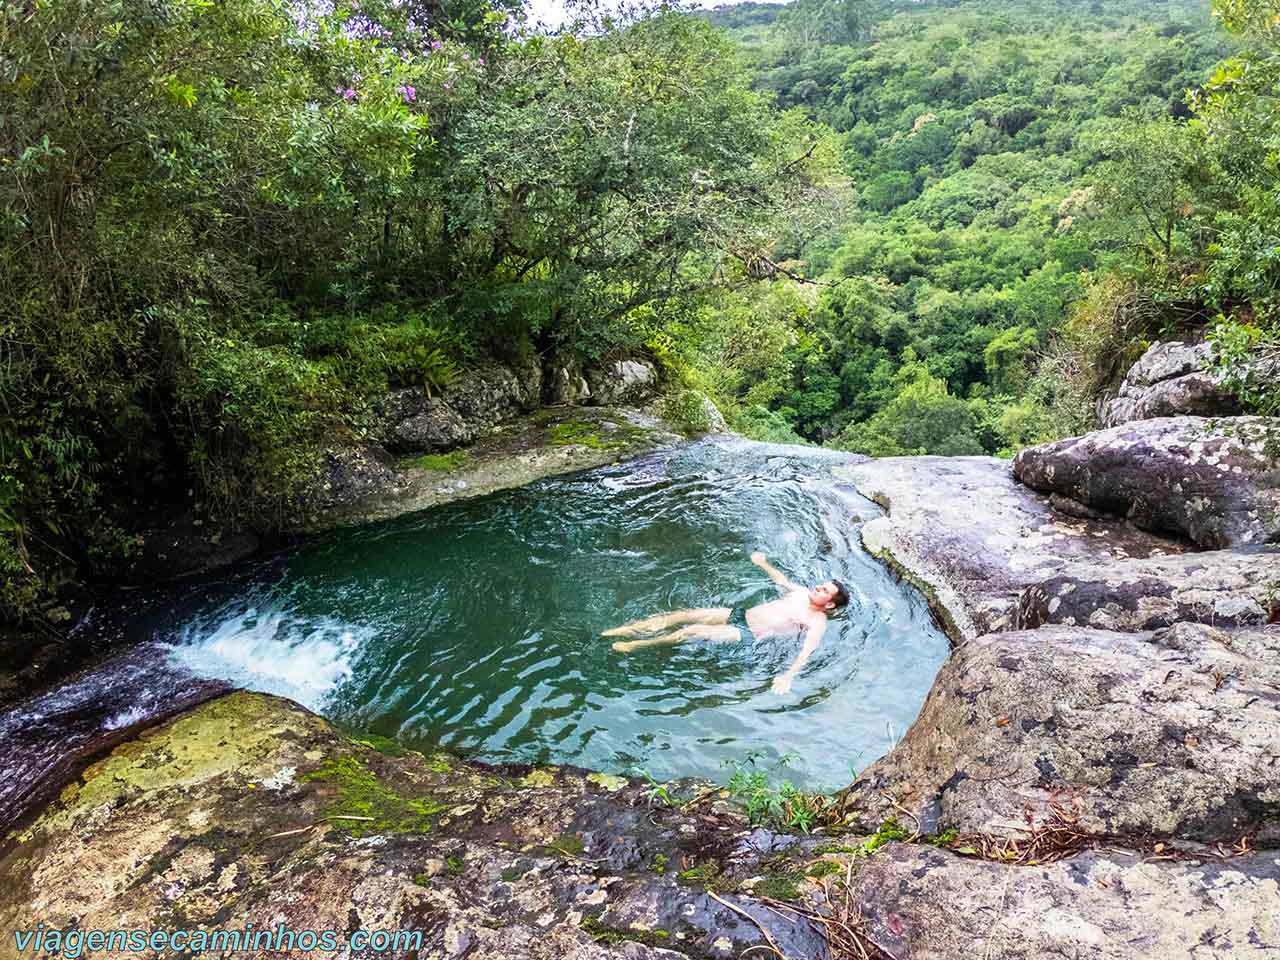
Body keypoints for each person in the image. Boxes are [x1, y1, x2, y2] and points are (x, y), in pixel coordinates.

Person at [603, 552, 850, 694]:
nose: (818, 587)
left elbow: (808, 651)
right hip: (739, 613)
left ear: (829, 604)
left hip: (747, 633)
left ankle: (638, 645)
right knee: (684, 614)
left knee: (690, 631)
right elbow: (782, 580)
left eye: (824, 590)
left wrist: (788, 677)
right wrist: (762, 563)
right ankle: (625, 629)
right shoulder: (800, 592)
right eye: (821, 585)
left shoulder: (816, 621)